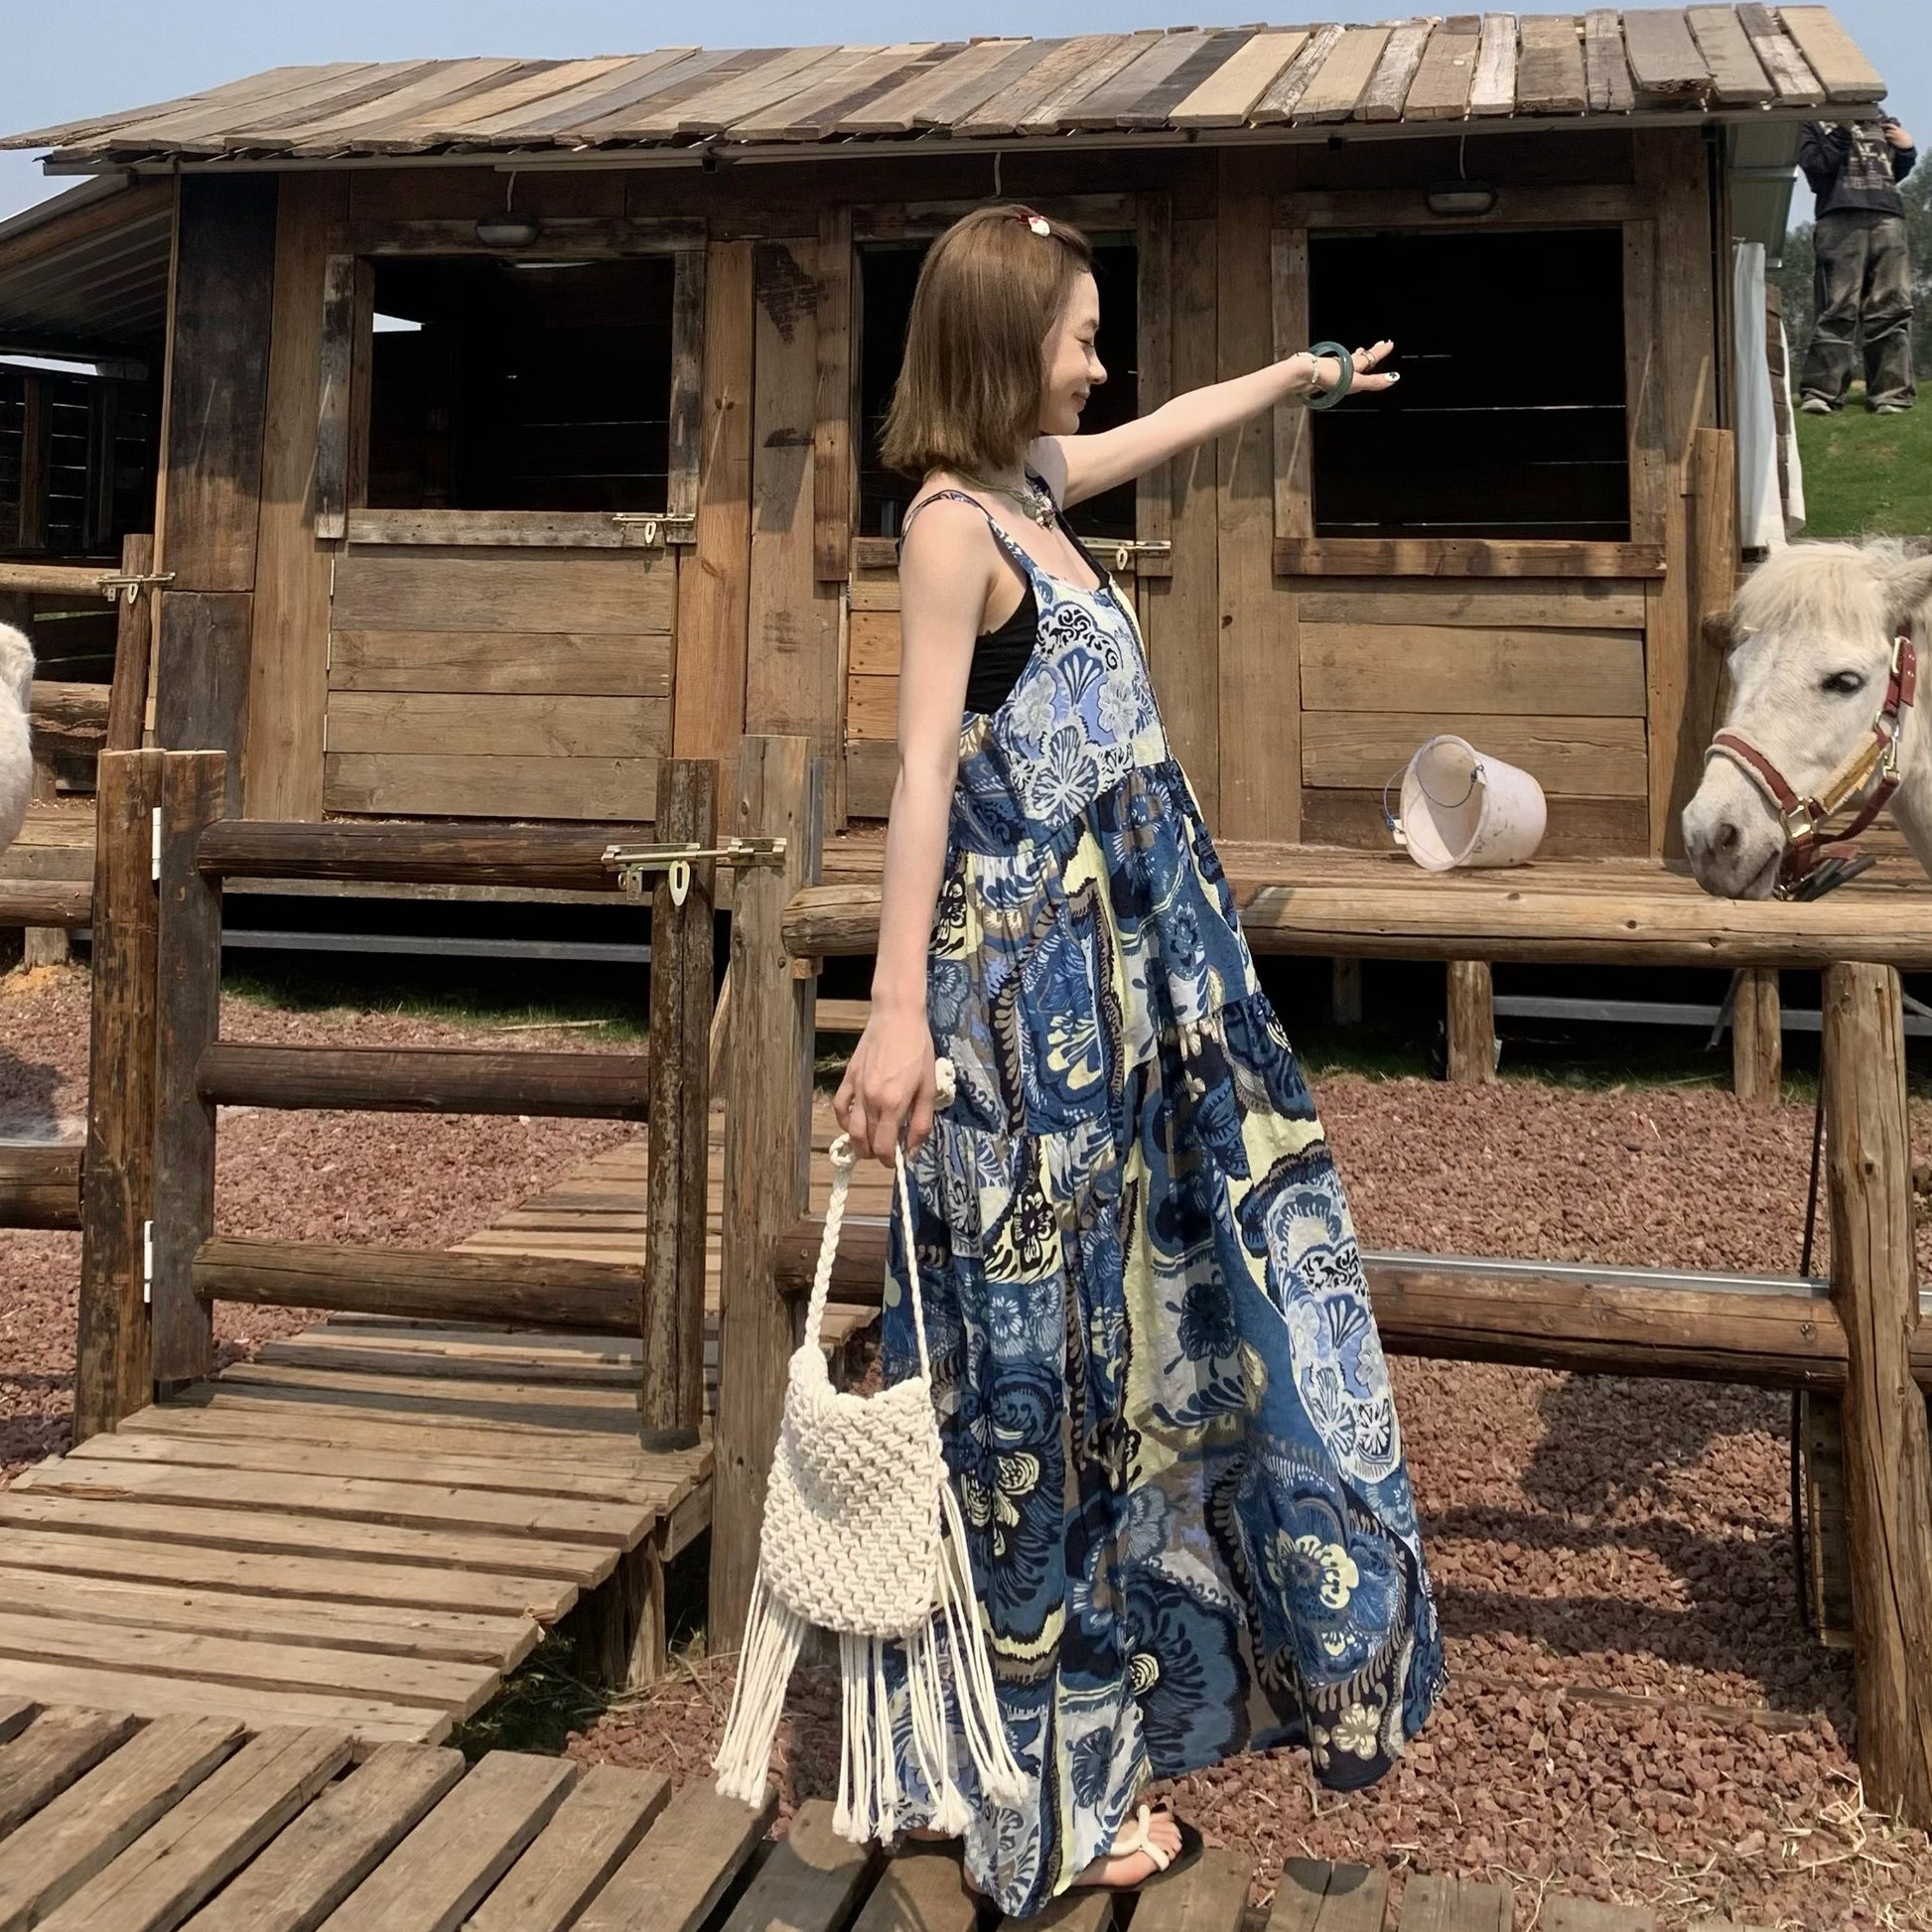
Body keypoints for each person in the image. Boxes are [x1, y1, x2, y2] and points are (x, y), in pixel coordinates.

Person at [832, 205, 1445, 1917]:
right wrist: (893, 1009)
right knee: (1042, 1396)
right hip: (1022, 1020)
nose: (1100, 365)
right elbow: (922, 775)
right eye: (1079, 335)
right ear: (1001, 342)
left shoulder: (1029, 491)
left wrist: (1298, 378)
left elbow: (1163, 428)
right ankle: (1050, 1810)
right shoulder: (951, 530)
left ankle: (1004, 1771)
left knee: (1111, 1375)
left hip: (1117, 1012)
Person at [1797, 112, 1917, 415]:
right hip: (1838, 218)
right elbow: (1816, 168)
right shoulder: (1811, 123)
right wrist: (1843, 129)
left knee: (1891, 307)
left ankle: (1891, 395)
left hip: (1887, 217)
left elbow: (1891, 173)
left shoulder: (1883, 120)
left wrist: (1907, 151)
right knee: (1837, 307)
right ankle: (1821, 393)